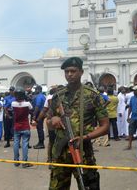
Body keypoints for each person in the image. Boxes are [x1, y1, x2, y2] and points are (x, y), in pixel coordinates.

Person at [49, 57, 109, 190]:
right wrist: (53, 120)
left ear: (81, 72)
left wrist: (85, 137)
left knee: (87, 186)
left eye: (73, 71)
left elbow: (105, 126)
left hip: (82, 152)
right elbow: (48, 123)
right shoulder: (58, 96)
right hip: (60, 154)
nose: (69, 74)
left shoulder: (92, 95)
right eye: (66, 71)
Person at [12, 89, 33, 168]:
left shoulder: (13, 103)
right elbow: (31, 110)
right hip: (25, 126)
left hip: (17, 126)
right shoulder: (27, 104)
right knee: (25, 144)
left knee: (16, 143)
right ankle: (24, 162)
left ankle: (16, 161)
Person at [125, 86, 137, 150]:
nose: (134, 92)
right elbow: (130, 107)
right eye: (133, 91)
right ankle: (129, 145)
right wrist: (128, 116)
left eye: (135, 90)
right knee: (130, 131)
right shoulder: (132, 98)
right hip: (133, 117)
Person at [32, 85, 46, 149]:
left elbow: (37, 106)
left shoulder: (39, 97)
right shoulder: (43, 96)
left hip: (39, 114)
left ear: (39, 90)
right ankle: (40, 142)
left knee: (39, 129)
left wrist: (34, 115)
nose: (35, 91)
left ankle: (41, 143)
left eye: (36, 89)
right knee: (40, 128)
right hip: (42, 113)